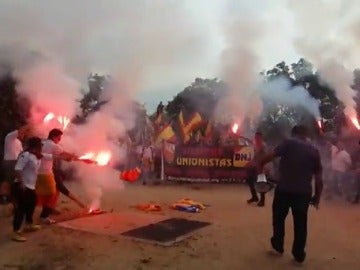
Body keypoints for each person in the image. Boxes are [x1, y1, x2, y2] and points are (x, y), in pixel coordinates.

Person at [259, 125, 323, 263]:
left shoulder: (288, 143)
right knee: (301, 223)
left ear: (294, 133)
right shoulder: (314, 150)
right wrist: (317, 197)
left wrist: (261, 164)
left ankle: (278, 244)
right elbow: (319, 179)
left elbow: (269, 157)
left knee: (278, 218)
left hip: (284, 190)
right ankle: (298, 253)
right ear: (306, 135)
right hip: (303, 193)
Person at [11, 137, 52, 242]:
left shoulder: (37, 156)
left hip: (31, 187)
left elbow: (52, 156)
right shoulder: (25, 155)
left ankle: (28, 225)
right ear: (36, 146)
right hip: (22, 186)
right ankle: (16, 232)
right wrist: (21, 183)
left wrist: (71, 158)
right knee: (21, 209)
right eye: (40, 145)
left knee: (31, 205)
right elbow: (18, 169)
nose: (42, 147)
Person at [36, 128, 77, 224]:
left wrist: (70, 157)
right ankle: (44, 216)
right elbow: (64, 154)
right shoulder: (53, 145)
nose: (60, 140)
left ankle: (47, 211)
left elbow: (60, 156)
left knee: (44, 193)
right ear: (54, 136)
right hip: (45, 173)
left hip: (36, 171)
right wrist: (74, 156)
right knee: (52, 195)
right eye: (59, 138)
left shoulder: (42, 142)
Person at [246, 132, 267, 207]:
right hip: (256, 166)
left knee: (261, 183)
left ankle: (262, 201)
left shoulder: (263, 145)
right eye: (255, 137)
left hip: (262, 167)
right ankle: (254, 197)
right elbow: (255, 157)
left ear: (261, 137)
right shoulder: (256, 145)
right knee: (250, 180)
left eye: (257, 137)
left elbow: (262, 156)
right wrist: (251, 163)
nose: (256, 139)